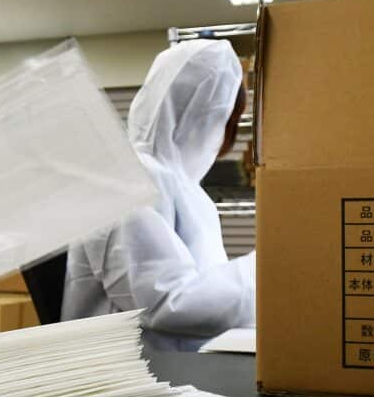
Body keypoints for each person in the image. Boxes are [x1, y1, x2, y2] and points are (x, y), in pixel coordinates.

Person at [61, 40, 256, 339]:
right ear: (210, 116)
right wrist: (268, 268)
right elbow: (166, 305)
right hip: (120, 376)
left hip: (177, 366)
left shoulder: (191, 195)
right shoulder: (126, 182)